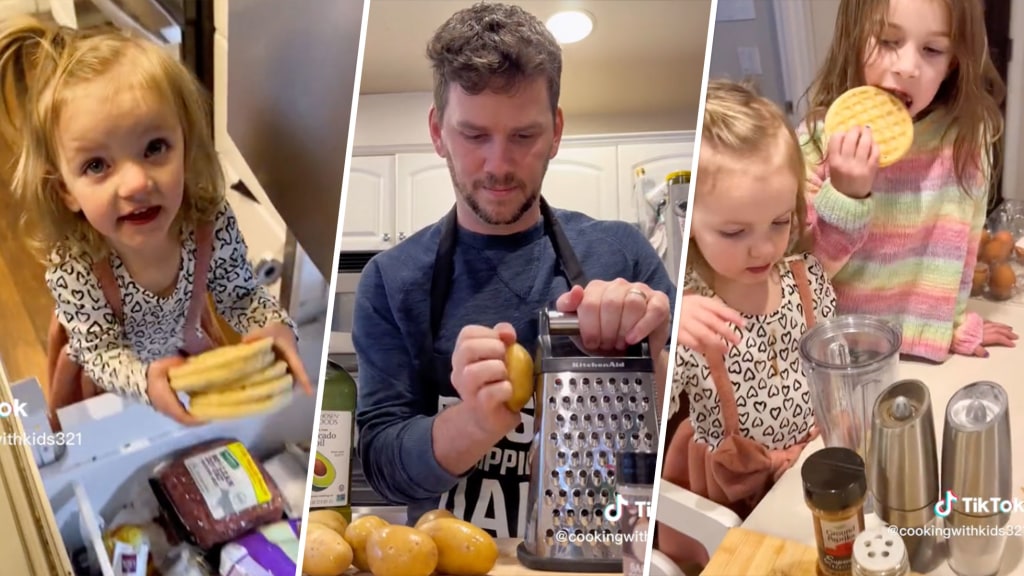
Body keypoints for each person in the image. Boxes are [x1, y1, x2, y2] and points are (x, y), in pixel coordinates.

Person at [352, 2, 676, 538]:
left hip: (595, 563)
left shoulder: (622, 255)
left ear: (555, 131)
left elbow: (677, 437)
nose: (499, 165)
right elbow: (382, 466)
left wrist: (655, 355)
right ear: (438, 133)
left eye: (523, 136)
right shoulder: (391, 281)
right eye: (474, 136)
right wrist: (473, 423)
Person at [0, 17, 312, 426]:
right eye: (97, 165)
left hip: (186, 355)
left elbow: (242, 296)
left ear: (186, 143)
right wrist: (145, 380)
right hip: (108, 381)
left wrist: (274, 324)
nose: (135, 183)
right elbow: (100, 352)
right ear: (65, 190)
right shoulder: (73, 263)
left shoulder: (209, 223)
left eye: (155, 147)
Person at [658, 80, 837, 569]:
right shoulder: (692, 316)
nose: (764, 249)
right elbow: (646, 420)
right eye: (735, 232)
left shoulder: (808, 282)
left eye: (780, 222)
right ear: (690, 220)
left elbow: (838, 374)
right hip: (726, 507)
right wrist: (670, 328)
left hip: (812, 487)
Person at [799, 0, 1017, 362]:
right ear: (853, 37)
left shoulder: (966, 142)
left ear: (953, 63)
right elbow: (803, 275)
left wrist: (953, 323)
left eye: (933, 49)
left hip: (923, 356)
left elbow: (961, 249)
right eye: (887, 41)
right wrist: (845, 196)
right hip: (838, 357)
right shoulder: (817, 141)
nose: (907, 67)